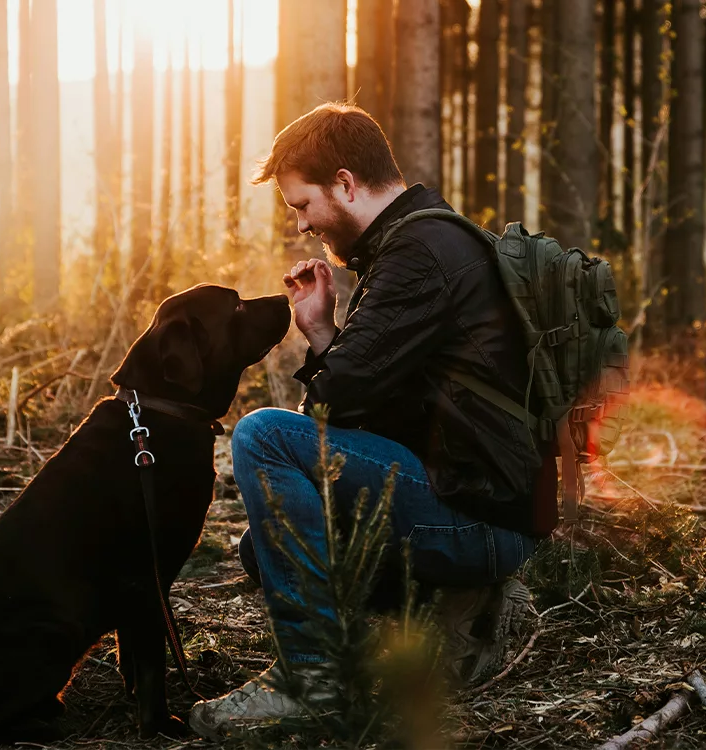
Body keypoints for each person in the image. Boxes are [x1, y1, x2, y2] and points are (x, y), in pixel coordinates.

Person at [188, 103, 557, 738]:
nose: (302, 225)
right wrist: (325, 331)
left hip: (482, 516)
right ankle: (449, 610)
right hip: (489, 501)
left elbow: (332, 406)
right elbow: (373, 403)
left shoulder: (419, 255)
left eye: (303, 206)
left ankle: (313, 679)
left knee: (263, 436)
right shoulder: (425, 239)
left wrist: (326, 351)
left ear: (346, 183)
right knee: (267, 546)